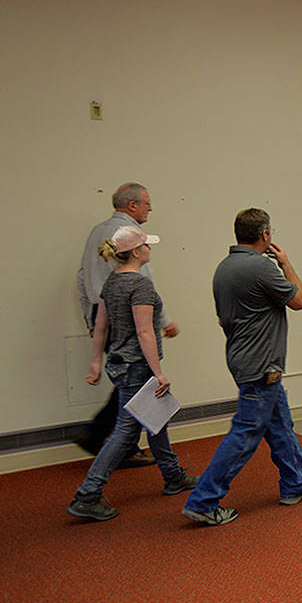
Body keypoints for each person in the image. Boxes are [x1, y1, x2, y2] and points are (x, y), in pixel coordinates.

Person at [181, 208, 302, 526]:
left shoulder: (224, 267)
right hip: (262, 365)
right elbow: (298, 300)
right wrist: (285, 263)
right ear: (265, 235)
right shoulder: (261, 267)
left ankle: (295, 484)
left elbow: (222, 318)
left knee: (280, 427)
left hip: (244, 357)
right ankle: (203, 501)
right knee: (245, 434)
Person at [66, 226, 198, 521]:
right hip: (137, 367)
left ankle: (173, 475)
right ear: (137, 252)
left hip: (119, 364)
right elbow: (144, 332)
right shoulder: (140, 286)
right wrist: (159, 373)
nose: (150, 249)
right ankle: (87, 495)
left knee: (156, 420)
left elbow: (100, 327)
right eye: (146, 245)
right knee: (126, 434)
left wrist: (95, 364)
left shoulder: (112, 283)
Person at [74, 182, 179, 462]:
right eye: (147, 203)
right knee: (137, 381)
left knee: (130, 382)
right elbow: (145, 284)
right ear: (132, 205)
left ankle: (137, 450)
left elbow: (82, 278)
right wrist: (164, 320)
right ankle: (112, 443)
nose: (150, 208)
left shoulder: (97, 232)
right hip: (131, 316)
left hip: (102, 314)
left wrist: (92, 319)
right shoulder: (131, 237)